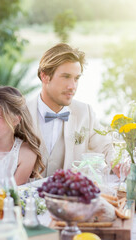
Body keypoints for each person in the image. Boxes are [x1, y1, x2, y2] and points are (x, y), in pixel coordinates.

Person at [27, 43, 115, 177]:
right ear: (45, 76)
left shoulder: (85, 112)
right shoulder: (20, 113)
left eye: (76, 78)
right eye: (66, 77)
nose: (72, 86)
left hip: (69, 196)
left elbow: (108, 146)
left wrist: (118, 163)